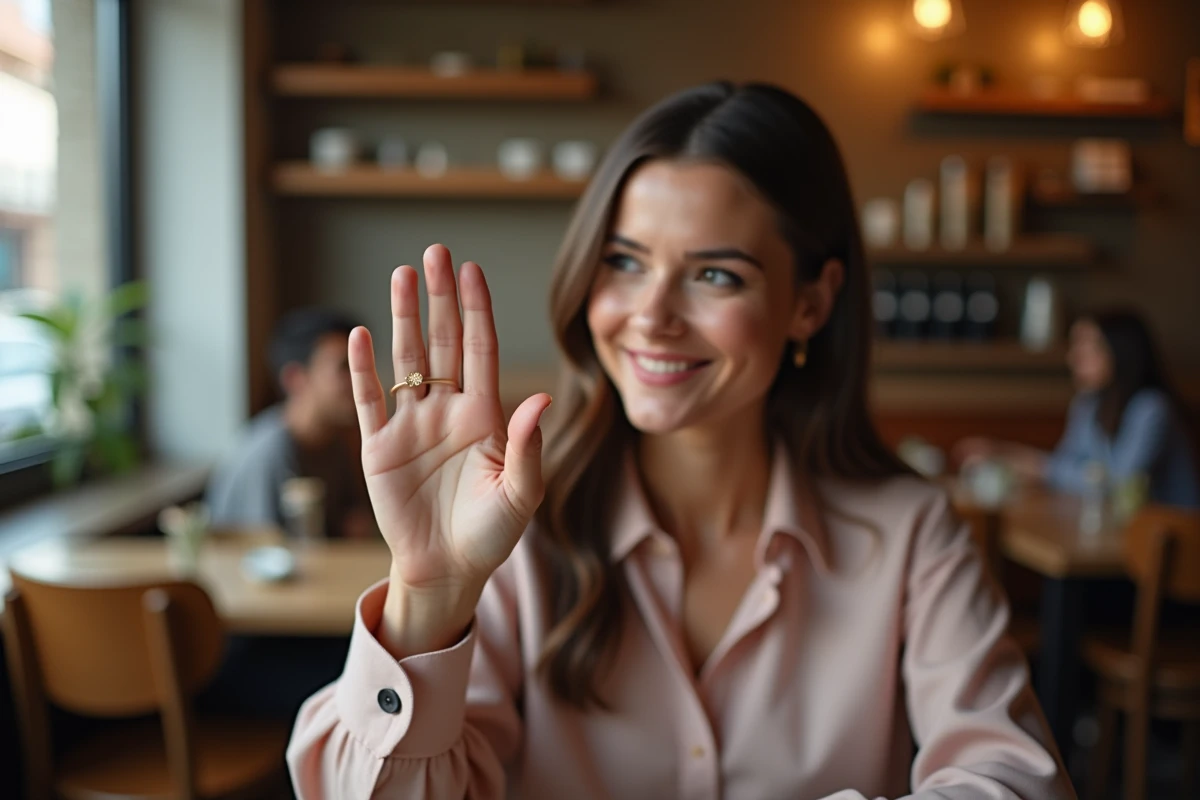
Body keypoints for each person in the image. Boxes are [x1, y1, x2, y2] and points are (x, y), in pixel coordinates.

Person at [286, 83, 1072, 798]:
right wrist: (431, 591)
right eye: (624, 262)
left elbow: (1011, 780)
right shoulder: (512, 528)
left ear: (810, 302)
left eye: (715, 275)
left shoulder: (911, 534)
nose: (651, 315)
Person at [956, 310, 1199, 509]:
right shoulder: (1089, 404)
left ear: (1120, 352)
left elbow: (1120, 484)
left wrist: (1028, 463)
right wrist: (1004, 454)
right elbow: (1068, 464)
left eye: (1086, 348)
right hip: (1121, 531)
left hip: (1177, 539)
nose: (1074, 357)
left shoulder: (1152, 408)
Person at [207, 307, 375, 538]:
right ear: (295, 378)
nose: (361, 380)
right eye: (344, 367)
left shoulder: (335, 442)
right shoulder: (268, 454)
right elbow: (261, 556)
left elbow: (354, 527)